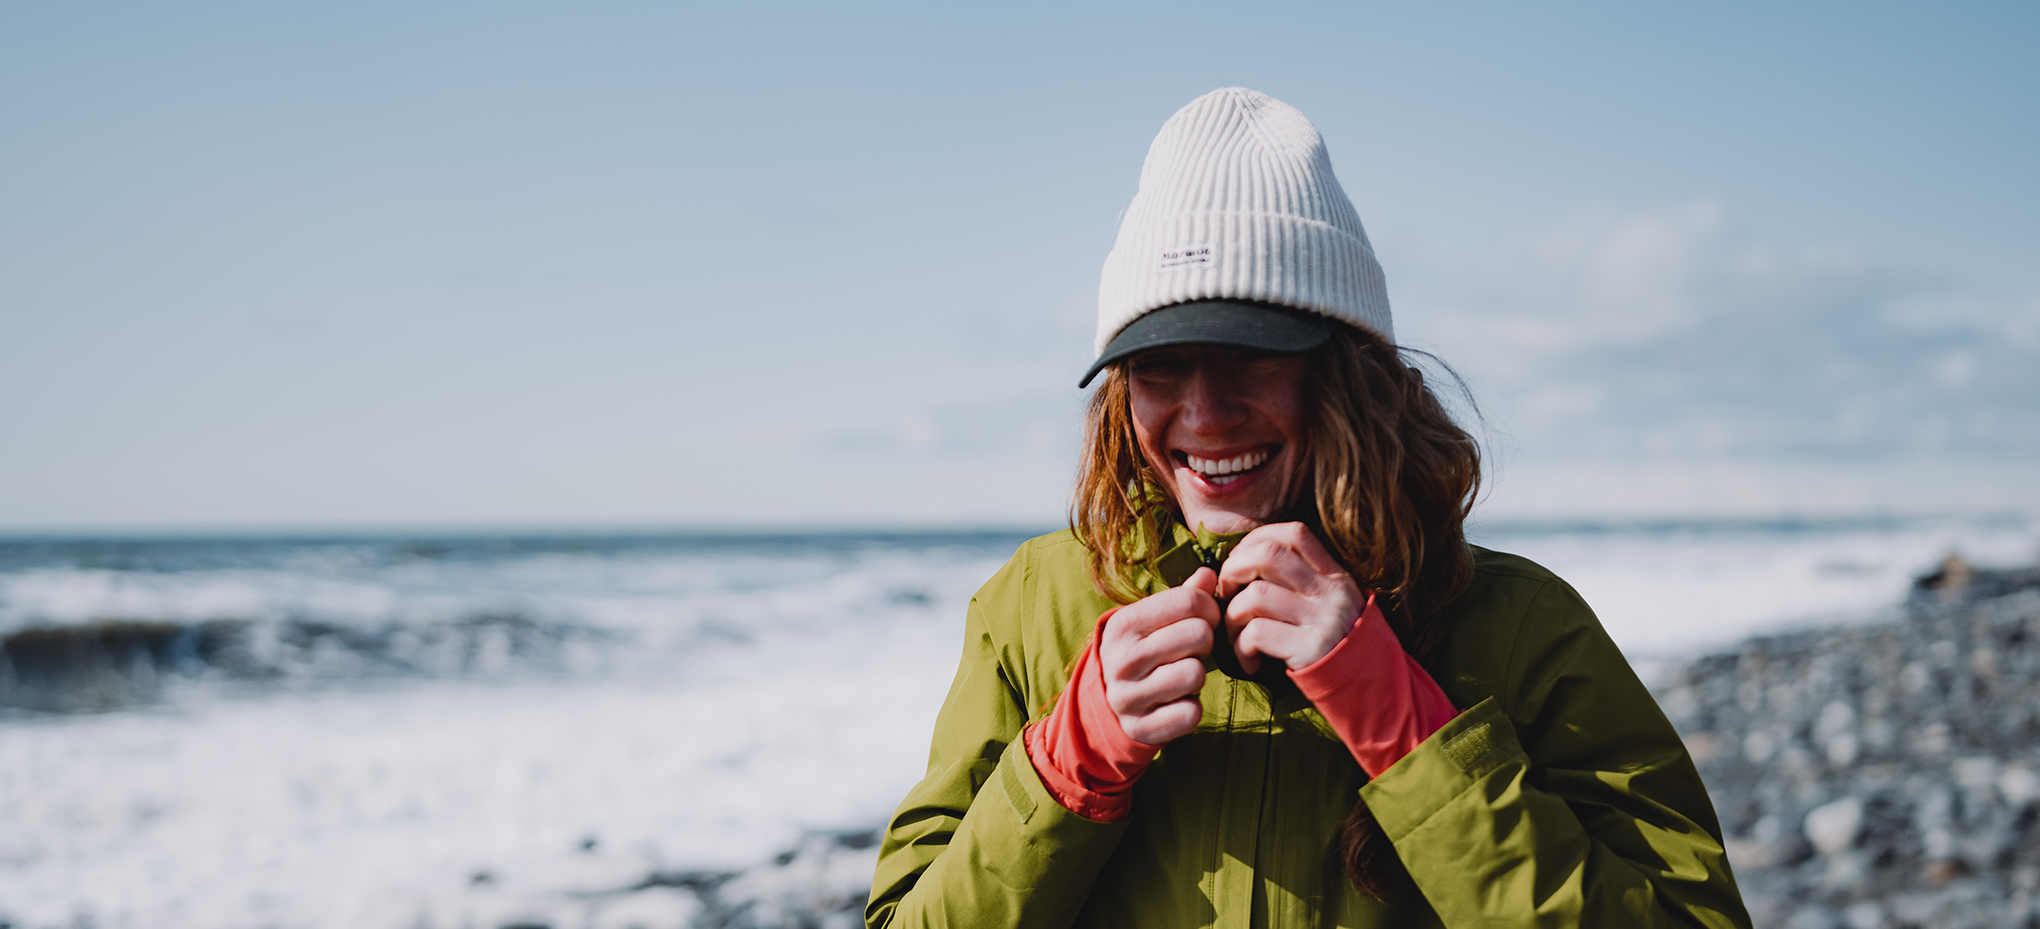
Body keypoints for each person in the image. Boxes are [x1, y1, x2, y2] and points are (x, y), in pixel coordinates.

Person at [866, 88, 1750, 929]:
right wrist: (1068, 765)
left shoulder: (1518, 626)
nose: (1204, 415)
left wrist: (1411, 729)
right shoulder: (1032, 607)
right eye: (1160, 366)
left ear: (1348, 372)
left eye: (1252, 357)